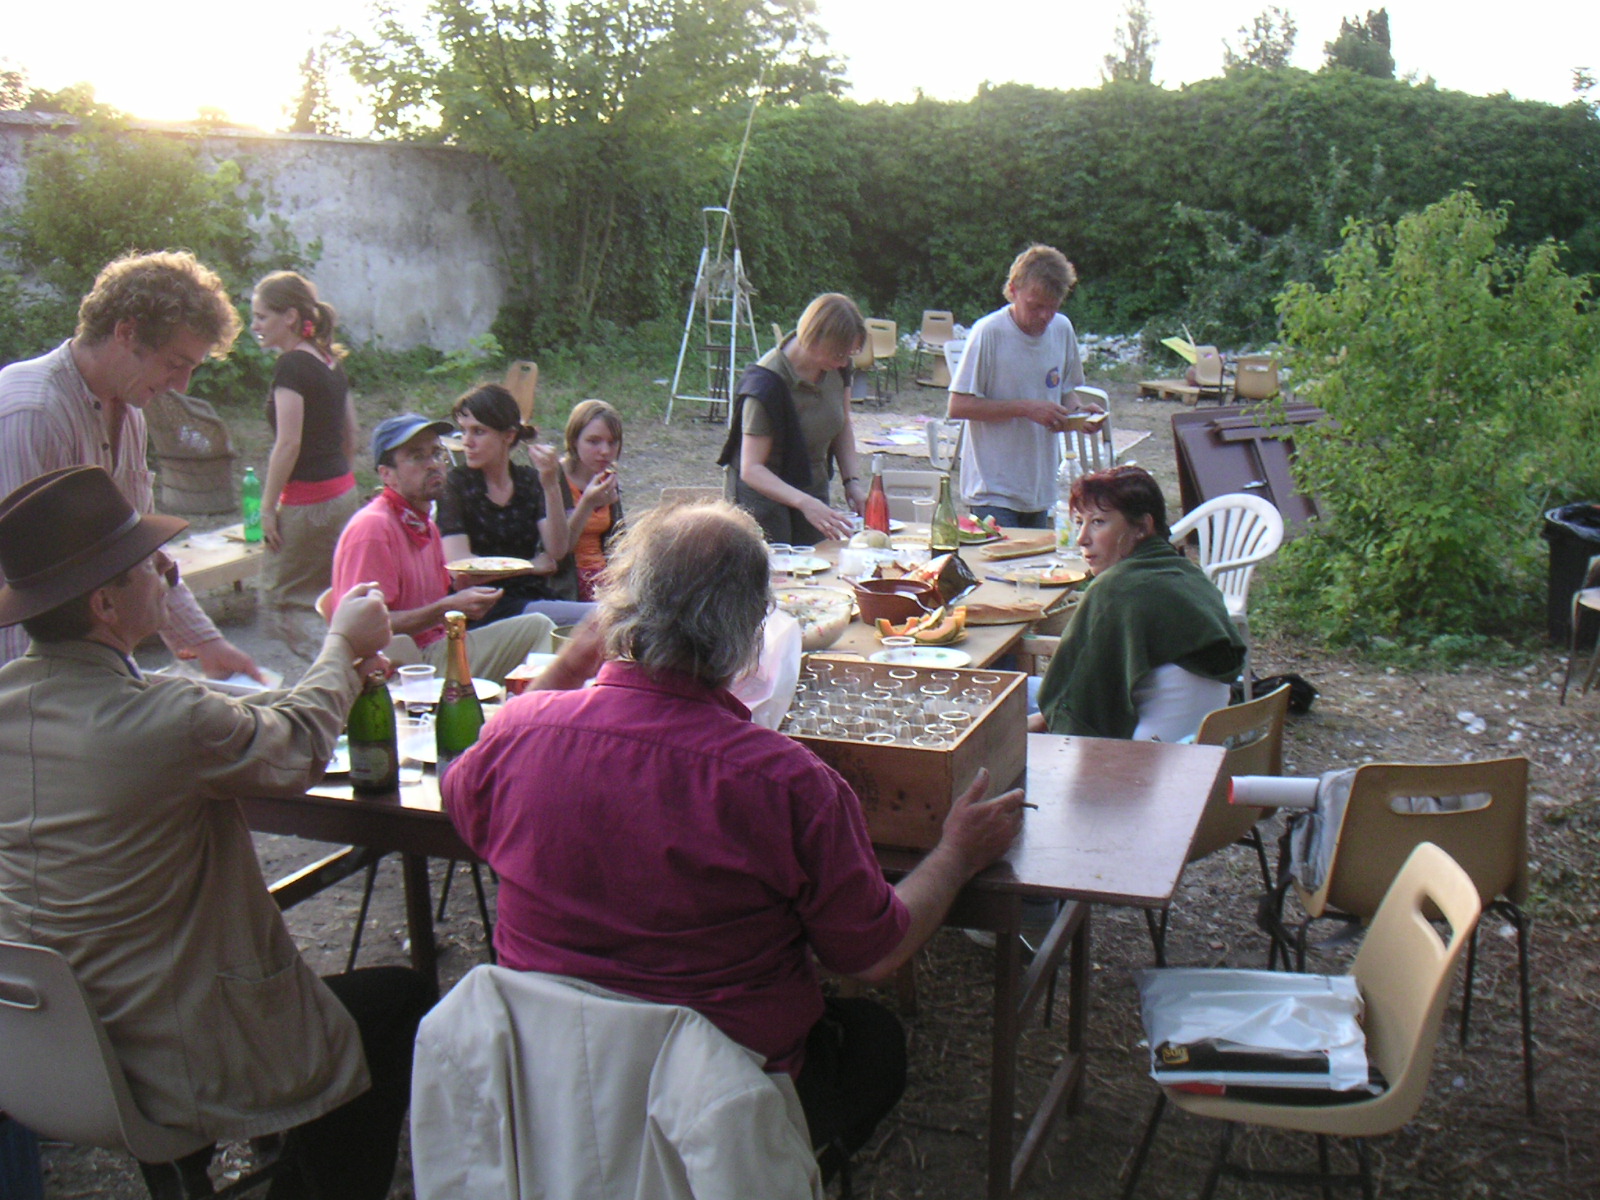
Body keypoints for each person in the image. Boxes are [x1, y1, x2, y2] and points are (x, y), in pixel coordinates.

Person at [442, 501, 1025, 1178]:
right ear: (751, 630)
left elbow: (460, 792)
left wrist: (570, 665)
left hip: (543, 1086)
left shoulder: (518, 733)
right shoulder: (790, 783)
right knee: (874, 1041)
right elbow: (874, 955)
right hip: (714, 1111)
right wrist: (955, 855)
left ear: (619, 608)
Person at [0, 465, 432, 1199]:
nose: (169, 571)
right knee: (400, 1004)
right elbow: (295, 747)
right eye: (151, 566)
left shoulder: (22, 702)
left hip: (53, 1050)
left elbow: (203, 716)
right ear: (105, 603)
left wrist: (322, 675)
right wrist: (340, 646)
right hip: (172, 1048)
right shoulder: (160, 723)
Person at [0, 250, 262, 680]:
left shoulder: (130, 410)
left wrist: (204, 642)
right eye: (175, 364)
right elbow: (23, 588)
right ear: (126, 332)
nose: (182, 385)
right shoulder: (35, 412)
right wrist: (31, 707)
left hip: (85, 672)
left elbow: (139, 553)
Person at [330, 412, 554, 683]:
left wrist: (465, 587)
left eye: (437, 453)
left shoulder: (424, 524)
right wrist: (446, 607)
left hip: (438, 647)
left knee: (539, 625)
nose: (433, 464)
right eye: (417, 456)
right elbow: (362, 628)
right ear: (387, 474)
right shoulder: (373, 528)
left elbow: (435, 599)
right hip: (402, 668)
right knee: (539, 630)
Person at [1030, 466, 1245, 741]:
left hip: (1148, 755)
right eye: (1079, 522)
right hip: (1202, 743)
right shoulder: (1187, 573)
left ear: (1142, 527)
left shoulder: (1116, 588)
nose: (1082, 538)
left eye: (1098, 522)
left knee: (1005, 701)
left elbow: (1073, 705)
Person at [947, 243, 1099, 529]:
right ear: (1013, 290)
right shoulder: (989, 333)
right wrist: (1026, 409)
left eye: (1052, 308)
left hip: (1040, 489)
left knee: (1038, 559)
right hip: (993, 490)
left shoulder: (1062, 329)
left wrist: (1079, 415)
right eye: (1035, 306)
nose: (1044, 316)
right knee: (1000, 559)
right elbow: (958, 406)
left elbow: (1065, 391)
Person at [250, 271, 361, 658]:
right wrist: (337, 484)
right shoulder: (330, 360)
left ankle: (340, 671)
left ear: (290, 317)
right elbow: (351, 434)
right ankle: (350, 669)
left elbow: (288, 443)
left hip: (306, 504)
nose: (255, 326)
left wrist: (267, 508)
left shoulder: (292, 366)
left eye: (261, 317)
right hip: (343, 494)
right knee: (327, 596)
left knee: (284, 603)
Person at [719, 293, 868, 544]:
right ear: (814, 339)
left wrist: (851, 482)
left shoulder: (838, 369)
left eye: (848, 354)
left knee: (821, 560)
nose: (844, 362)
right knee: (779, 564)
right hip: (762, 496)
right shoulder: (766, 384)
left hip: (811, 482)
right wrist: (803, 502)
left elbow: (842, 425)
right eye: (838, 354)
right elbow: (751, 469)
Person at [437, 384, 588, 627]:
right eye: (463, 431)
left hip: (532, 597)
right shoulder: (457, 484)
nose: (467, 442)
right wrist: (529, 567)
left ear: (508, 436)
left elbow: (557, 550)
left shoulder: (527, 481)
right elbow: (460, 566)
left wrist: (551, 485)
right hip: (485, 606)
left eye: (478, 432)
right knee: (601, 618)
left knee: (607, 618)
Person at [558, 398, 625, 601]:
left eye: (612, 442)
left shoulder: (606, 479)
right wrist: (587, 503)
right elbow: (559, 549)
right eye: (594, 441)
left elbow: (618, 542)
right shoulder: (555, 480)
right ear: (574, 440)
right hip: (567, 581)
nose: (605, 451)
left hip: (604, 577)